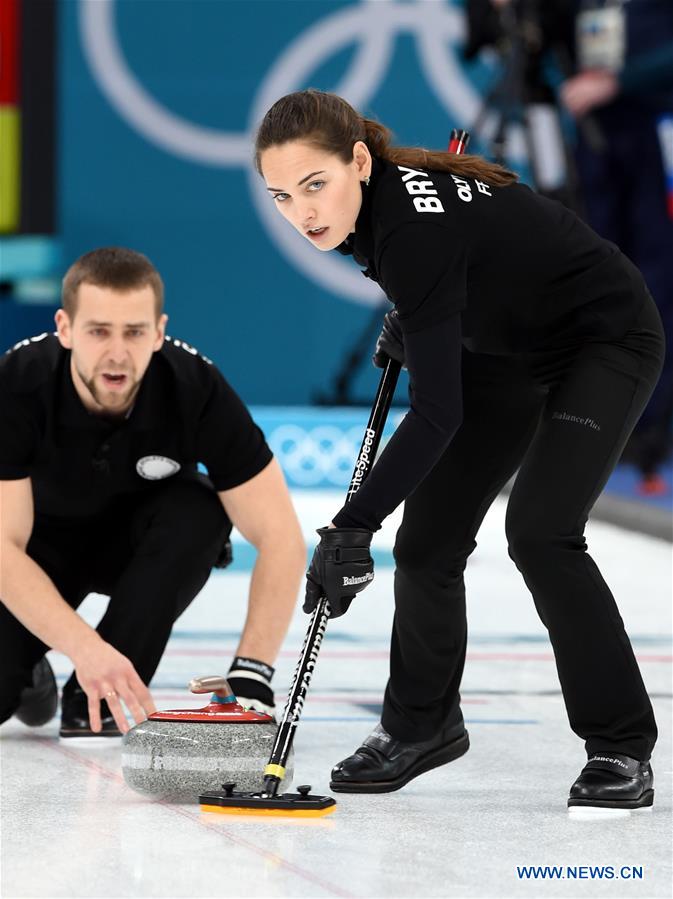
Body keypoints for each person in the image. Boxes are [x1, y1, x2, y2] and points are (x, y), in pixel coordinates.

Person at [254, 89, 664, 810]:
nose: (302, 213)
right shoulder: (375, 207)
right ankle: (422, 724)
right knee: (426, 544)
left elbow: (437, 411)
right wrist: (418, 319)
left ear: (358, 160)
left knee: (540, 533)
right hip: (504, 347)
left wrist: (353, 523)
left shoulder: (406, 226)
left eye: (314, 186)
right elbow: (463, 272)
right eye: (281, 195)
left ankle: (619, 744)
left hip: (600, 339)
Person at [0, 247, 306, 738]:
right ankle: (28, 669)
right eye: (99, 331)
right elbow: (3, 551)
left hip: (141, 551)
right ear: (65, 328)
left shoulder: (195, 385)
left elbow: (281, 537)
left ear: (159, 331)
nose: (117, 353)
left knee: (201, 509)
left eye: (135, 332)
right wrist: (84, 648)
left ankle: (94, 696)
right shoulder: (17, 382)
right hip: (41, 550)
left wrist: (253, 673)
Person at [559, 0, 673, 492]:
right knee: (600, 283)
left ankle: (652, 428)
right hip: (597, 146)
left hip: (655, 140)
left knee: (658, 284)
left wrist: (618, 82)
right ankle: (599, 422)